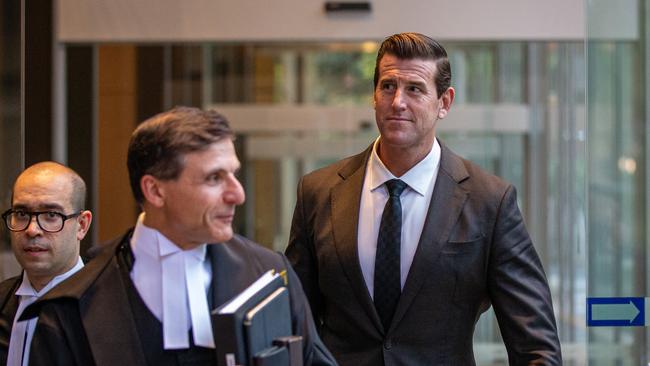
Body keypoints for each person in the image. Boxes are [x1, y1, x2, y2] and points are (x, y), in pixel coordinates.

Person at [285, 33, 562, 365]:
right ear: (374, 96)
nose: (398, 101)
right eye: (388, 86)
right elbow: (294, 323)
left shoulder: (489, 201)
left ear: (444, 102)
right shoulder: (317, 192)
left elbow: (535, 345)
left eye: (414, 89)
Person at [24, 107, 336, 366]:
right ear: (155, 190)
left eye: (234, 174)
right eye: (214, 178)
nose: (237, 194)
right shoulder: (71, 307)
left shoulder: (270, 275)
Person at [0, 162, 92, 366]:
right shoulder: (3, 301)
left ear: (82, 226)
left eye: (51, 215)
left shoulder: (109, 309)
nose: (32, 230)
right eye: (22, 214)